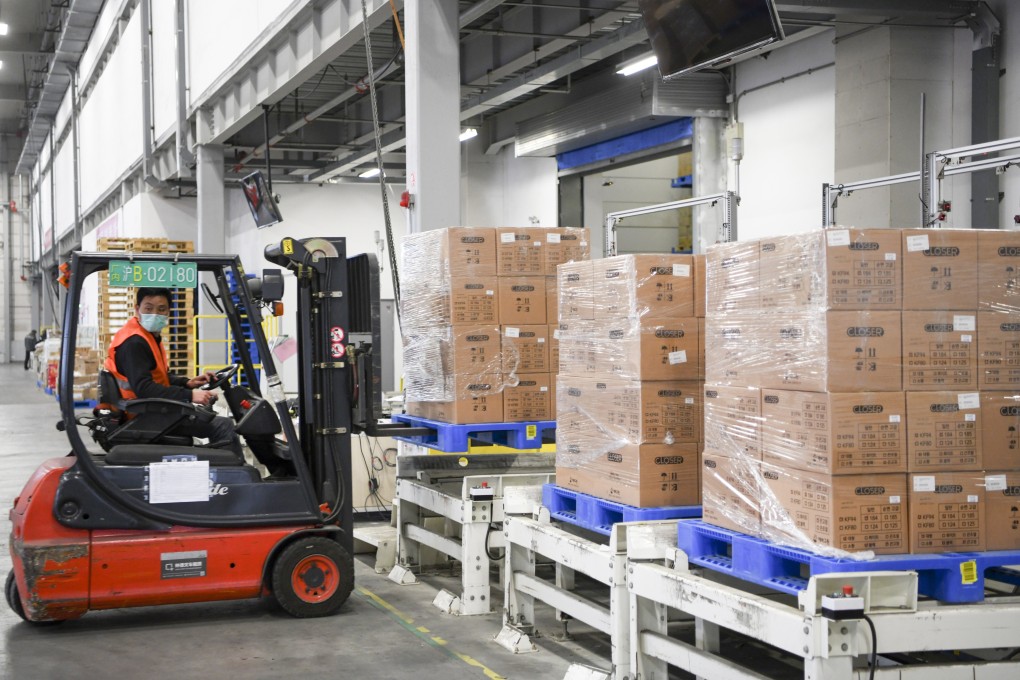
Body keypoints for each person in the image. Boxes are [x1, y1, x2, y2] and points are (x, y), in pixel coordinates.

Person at [104, 287, 243, 457]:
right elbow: (144, 387)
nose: (155, 313)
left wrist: (187, 383)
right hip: (144, 415)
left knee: (211, 419)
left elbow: (157, 376)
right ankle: (232, 478)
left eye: (161, 309)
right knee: (224, 425)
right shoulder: (135, 343)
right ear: (137, 309)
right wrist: (190, 395)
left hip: (151, 408)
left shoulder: (147, 336)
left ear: (168, 311)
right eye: (148, 308)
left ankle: (218, 468)